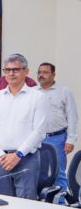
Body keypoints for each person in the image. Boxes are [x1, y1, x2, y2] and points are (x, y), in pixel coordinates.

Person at [0, 54, 48, 199]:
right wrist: (1, 155)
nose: (11, 74)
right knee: (0, 203)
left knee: (25, 205)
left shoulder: (38, 97)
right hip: (0, 159)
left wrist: (18, 154)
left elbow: (39, 131)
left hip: (26, 159)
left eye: (16, 70)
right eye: (7, 70)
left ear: (26, 71)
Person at [37, 62, 77, 192]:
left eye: (45, 72)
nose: (41, 75)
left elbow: (72, 116)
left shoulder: (64, 91)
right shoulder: (33, 92)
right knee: (40, 171)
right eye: (39, 72)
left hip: (57, 138)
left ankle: (60, 201)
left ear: (53, 75)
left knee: (58, 171)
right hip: (37, 139)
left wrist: (70, 140)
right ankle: (42, 200)